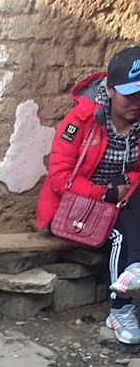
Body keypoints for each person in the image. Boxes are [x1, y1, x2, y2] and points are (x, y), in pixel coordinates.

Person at [36, 45, 140, 345]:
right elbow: (58, 178)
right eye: (128, 94)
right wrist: (104, 192)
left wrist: (124, 186)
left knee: (129, 211)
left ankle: (134, 270)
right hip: (78, 210)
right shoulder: (81, 120)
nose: (136, 102)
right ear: (109, 90)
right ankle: (120, 309)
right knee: (121, 232)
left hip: (123, 201)